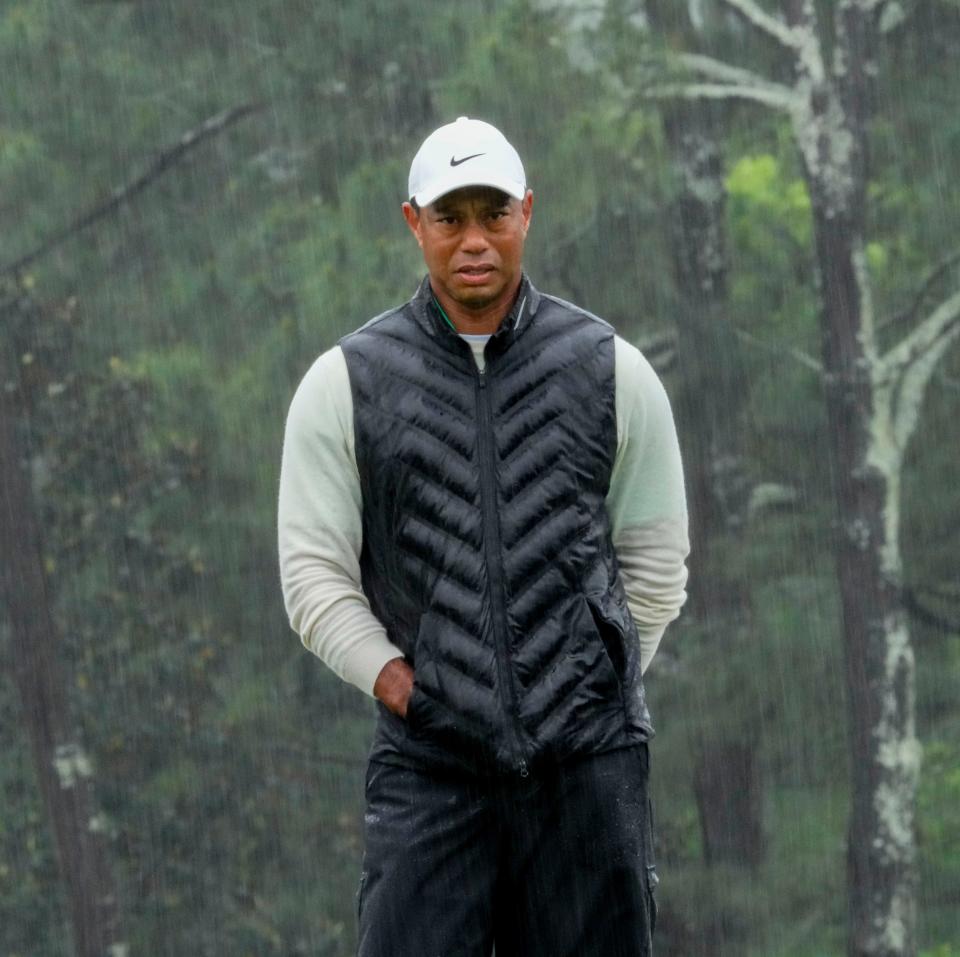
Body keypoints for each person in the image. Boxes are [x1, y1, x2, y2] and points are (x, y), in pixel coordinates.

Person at [277, 116, 689, 957]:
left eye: (493, 213)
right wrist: (405, 689)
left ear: (527, 213)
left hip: (586, 775)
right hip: (432, 771)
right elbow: (313, 577)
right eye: (450, 216)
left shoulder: (612, 368)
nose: (474, 239)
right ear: (413, 223)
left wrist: (593, 687)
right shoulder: (343, 384)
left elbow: (657, 562)